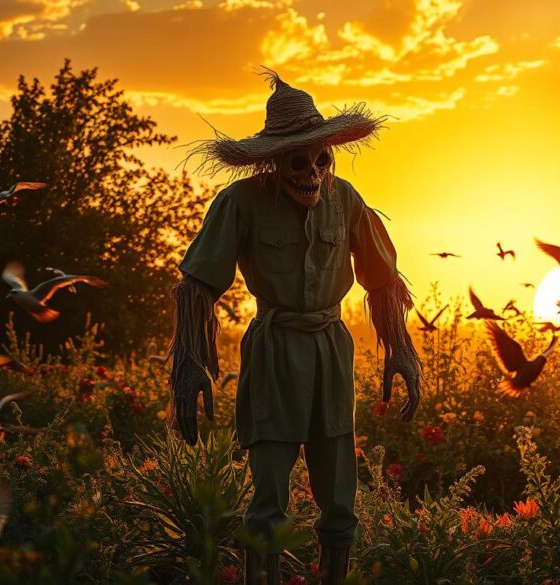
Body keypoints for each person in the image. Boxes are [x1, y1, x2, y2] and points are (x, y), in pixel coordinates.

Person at [169, 69, 422, 585]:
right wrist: (189, 367)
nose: (311, 172)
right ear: (273, 161)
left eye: (321, 159)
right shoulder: (240, 203)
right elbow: (197, 286)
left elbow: (383, 281)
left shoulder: (346, 199)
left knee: (339, 496)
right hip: (274, 354)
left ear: (330, 155)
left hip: (331, 352)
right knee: (268, 497)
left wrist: (401, 351)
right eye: (298, 161)